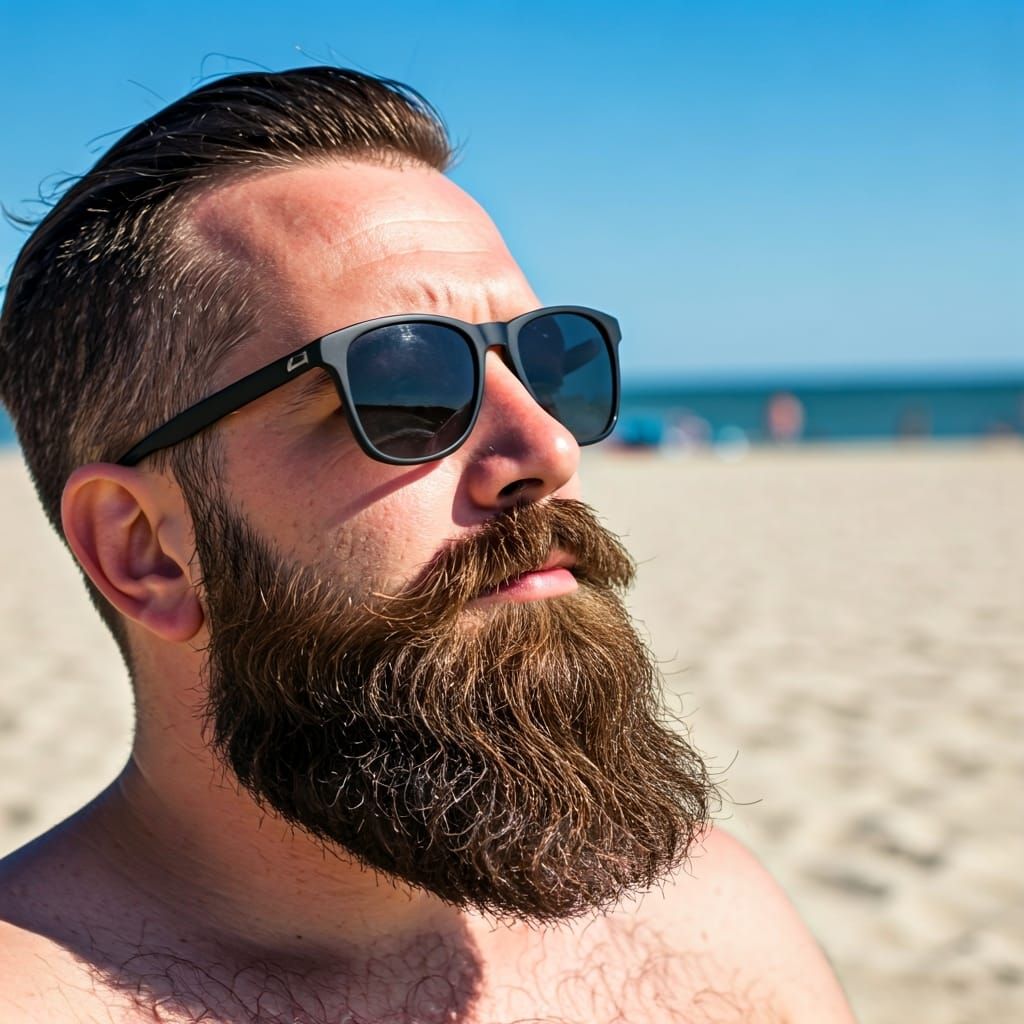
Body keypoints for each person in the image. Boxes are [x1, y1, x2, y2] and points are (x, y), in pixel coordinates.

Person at [0, 68, 855, 1022]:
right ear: (145, 551)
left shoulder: (710, 919)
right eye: (405, 387)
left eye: (547, 363)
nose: (549, 449)